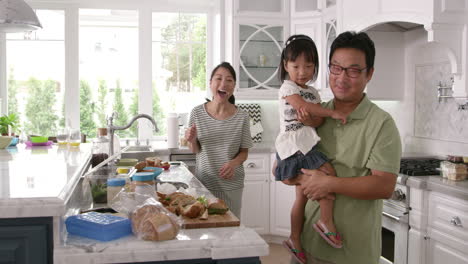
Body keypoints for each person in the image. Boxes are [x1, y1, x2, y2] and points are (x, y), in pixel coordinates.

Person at [291, 31, 402, 264]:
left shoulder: (381, 123)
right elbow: (282, 170)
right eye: (336, 68)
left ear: (369, 74)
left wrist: (328, 183)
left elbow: (384, 185)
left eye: (353, 70)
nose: (341, 78)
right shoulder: (316, 114)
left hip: (353, 253)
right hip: (307, 245)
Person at [273, 34, 347, 264]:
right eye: (296, 66)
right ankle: (326, 222)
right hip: (295, 145)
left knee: (301, 199)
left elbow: (316, 122)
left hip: (307, 141)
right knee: (327, 172)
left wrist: (313, 119)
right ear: (286, 66)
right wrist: (332, 112)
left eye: (308, 65)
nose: (302, 71)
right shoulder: (287, 87)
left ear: (315, 66)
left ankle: (295, 239)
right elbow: (303, 107)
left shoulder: (314, 92)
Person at [185, 62, 253, 218]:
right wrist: (192, 139)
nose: (223, 84)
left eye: (229, 80)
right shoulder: (197, 113)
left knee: (231, 228)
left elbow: (244, 153)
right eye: (218, 78)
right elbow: (195, 150)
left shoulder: (242, 116)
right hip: (205, 184)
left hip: (231, 185)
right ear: (211, 83)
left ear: (234, 85)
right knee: (206, 230)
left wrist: (233, 163)